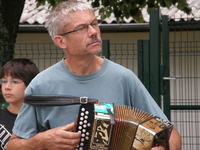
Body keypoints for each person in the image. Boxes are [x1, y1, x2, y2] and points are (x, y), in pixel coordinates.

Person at [7, 1, 181, 150]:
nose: (93, 32)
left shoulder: (123, 78)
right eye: (81, 28)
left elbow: (171, 134)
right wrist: (40, 142)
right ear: (61, 41)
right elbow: (13, 145)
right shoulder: (41, 85)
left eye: (94, 24)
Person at [0, 58, 39, 150]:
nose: (7, 87)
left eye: (15, 82)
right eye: (4, 81)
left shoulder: (41, 118)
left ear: (30, 85)